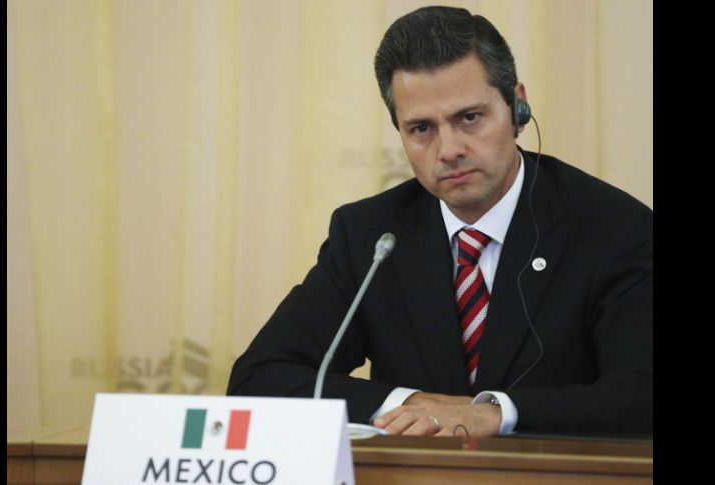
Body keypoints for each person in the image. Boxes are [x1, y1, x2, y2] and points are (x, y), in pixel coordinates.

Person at [226, 6, 652, 437]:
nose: (448, 149)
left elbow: (642, 393)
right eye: (422, 129)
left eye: (469, 118)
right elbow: (259, 379)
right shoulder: (370, 236)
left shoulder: (615, 229)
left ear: (517, 106)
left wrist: (495, 413)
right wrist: (408, 404)